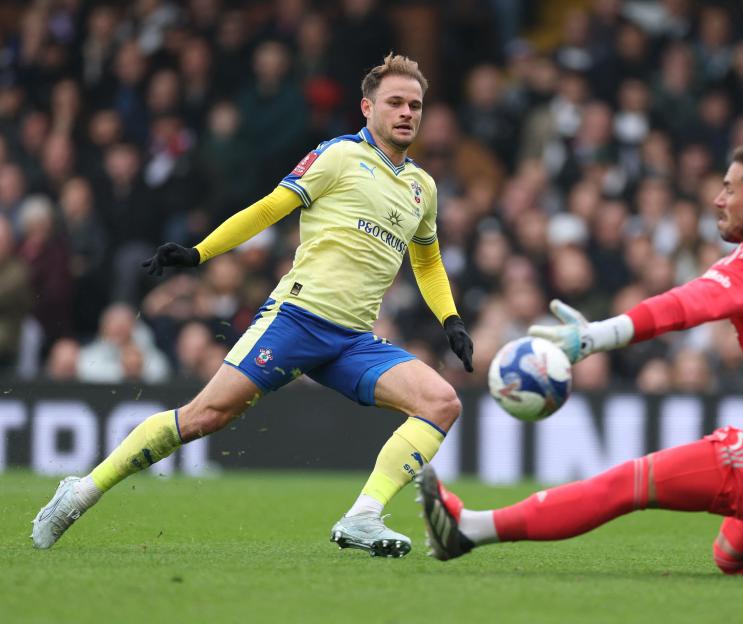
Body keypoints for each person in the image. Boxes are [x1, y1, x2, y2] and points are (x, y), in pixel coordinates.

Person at [417, 144, 743, 580]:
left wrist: (592, 338)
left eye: (729, 188)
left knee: (630, 482)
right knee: (735, 556)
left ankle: (469, 529)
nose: (718, 199)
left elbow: (681, 307)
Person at [32, 54, 474, 558]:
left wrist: (451, 319)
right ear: (367, 107)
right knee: (205, 416)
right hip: (298, 320)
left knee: (442, 403)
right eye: (395, 102)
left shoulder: (423, 187)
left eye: (415, 105)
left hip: (352, 340)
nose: (407, 113)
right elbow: (269, 207)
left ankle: (363, 516)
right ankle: (81, 491)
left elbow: (429, 261)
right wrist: (200, 252)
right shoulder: (337, 157)